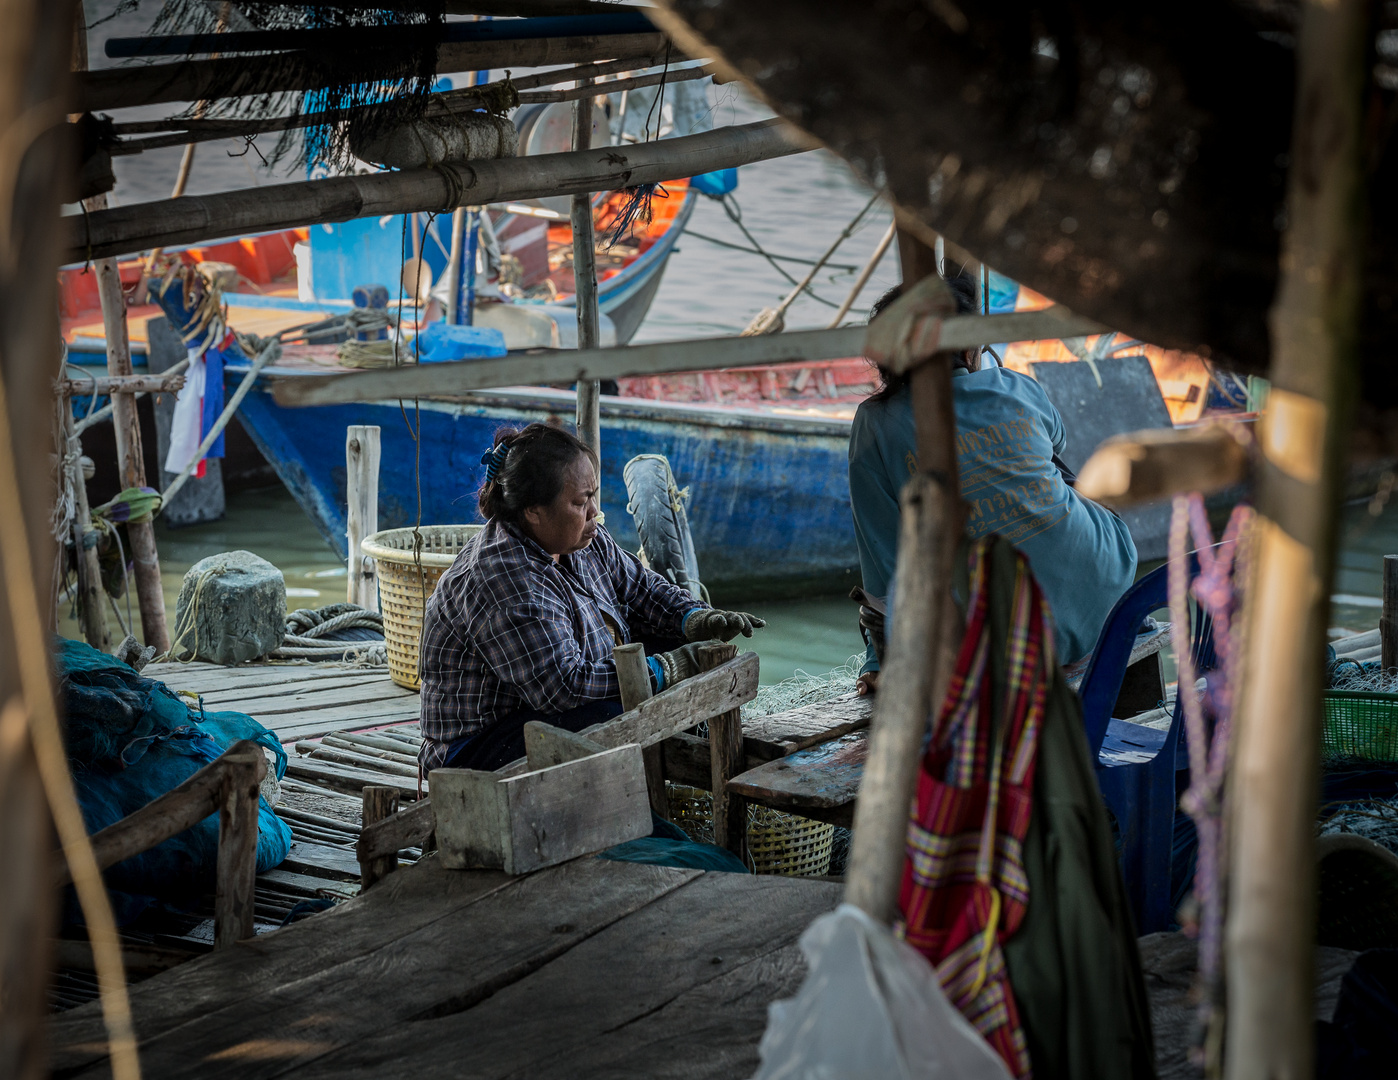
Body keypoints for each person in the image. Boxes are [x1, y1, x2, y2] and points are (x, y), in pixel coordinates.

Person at [418, 422, 765, 774]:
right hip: (476, 749)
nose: (594, 511)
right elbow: (563, 687)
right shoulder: (501, 577)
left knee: (675, 640)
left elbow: (642, 587)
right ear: (533, 510)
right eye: (580, 501)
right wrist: (666, 670)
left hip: (541, 711)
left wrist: (694, 618)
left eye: (593, 495)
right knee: (623, 718)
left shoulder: (582, 537)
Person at [849, 271, 1137, 694]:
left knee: (880, 591)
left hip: (1001, 650)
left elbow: (887, 567)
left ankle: (877, 664)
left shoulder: (875, 423)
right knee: (1059, 475)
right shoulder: (1017, 386)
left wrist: (885, 650)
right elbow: (1056, 444)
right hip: (1107, 585)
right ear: (970, 344)